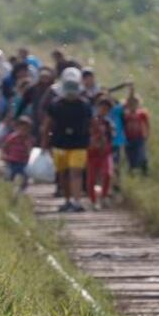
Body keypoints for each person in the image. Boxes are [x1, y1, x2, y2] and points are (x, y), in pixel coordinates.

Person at [42, 67, 92, 213]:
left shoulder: (84, 105)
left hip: (79, 145)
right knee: (63, 174)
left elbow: (91, 124)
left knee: (75, 172)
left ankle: (76, 201)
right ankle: (68, 200)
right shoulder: (55, 105)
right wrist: (45, 142)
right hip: (60, 144)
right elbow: (47, 125)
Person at [86, 96, 115, 209]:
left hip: (105, 152)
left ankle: (103, 196)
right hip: (92, 153)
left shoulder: (108, 123)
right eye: (102, 107)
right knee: (91, 178)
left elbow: (111, 137)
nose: (103, 110)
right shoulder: (91, 121)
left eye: (106, 108)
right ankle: (93, 201)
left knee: (107, 173)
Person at [1, 116, 35, 194]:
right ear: (17, 128)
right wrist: (4, 154)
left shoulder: (29, 139)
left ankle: (21, 191)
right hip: (12, 161)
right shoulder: (12, 137)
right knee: (10, 177)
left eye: (26, 129)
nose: (23, 131)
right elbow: (5, 146)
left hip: (23, 162)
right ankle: (8, 191)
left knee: (25, 177)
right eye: (22, 129)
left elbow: (30, 151)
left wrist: (28, 145)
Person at [122, 87, 151, 174]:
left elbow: (147, 125)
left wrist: (147, 134)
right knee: (130, 155)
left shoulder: (141, 113)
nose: (132, 106)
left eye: (134, 103)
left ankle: (143, 169)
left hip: (139, 137)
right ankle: (132, 169)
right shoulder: (125, 114)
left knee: (141, 153)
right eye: (130, 104)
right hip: (128, 137)